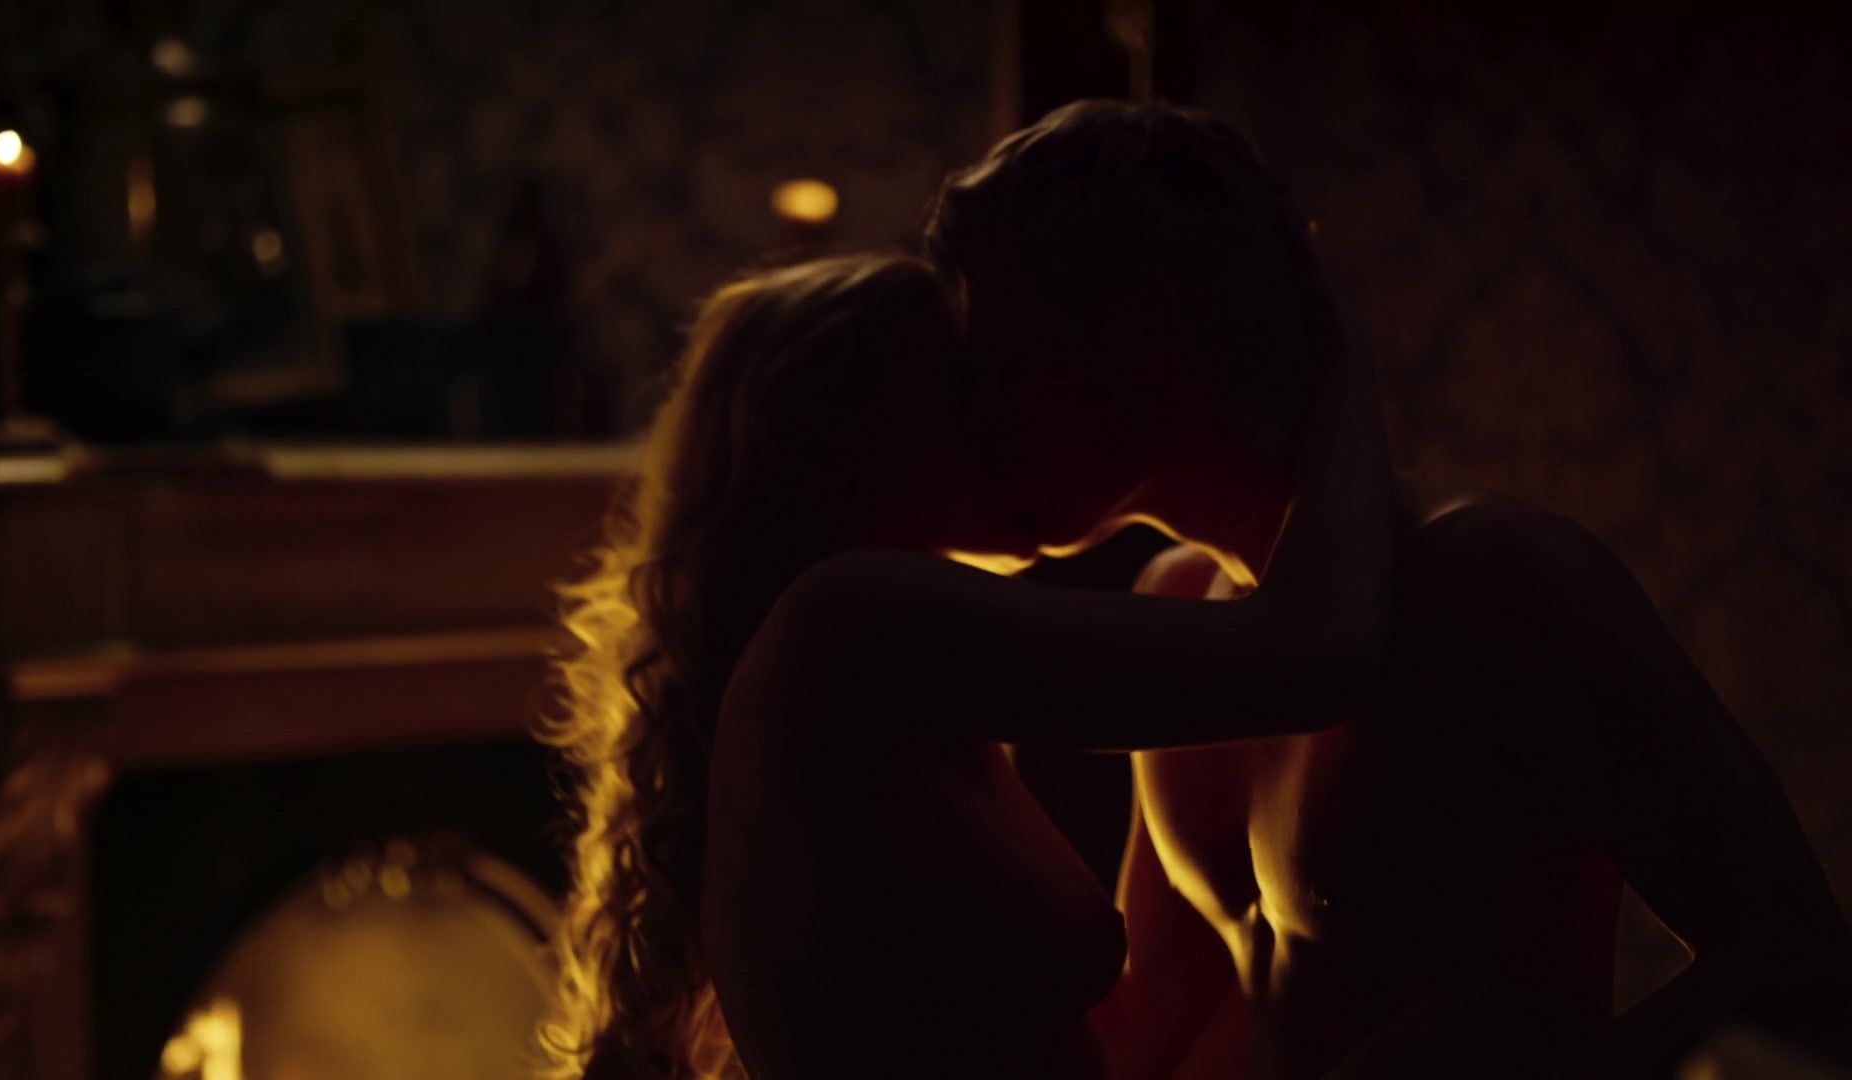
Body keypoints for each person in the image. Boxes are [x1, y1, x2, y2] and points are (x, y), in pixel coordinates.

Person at [923, 98, 1852, 1078]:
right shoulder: (1180, 606)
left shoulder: (1501, 582)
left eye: (999, 363)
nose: (972, 416)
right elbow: (1151, 1017)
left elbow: (1794, 960)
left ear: (1141, 334)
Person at [536, 248, 1396, 1078]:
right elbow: (1318, 655)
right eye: (961, 390)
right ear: (837, 443)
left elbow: (1126, 1023)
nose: (1016, 417)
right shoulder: (861, 624)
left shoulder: (860, 667)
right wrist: (1330, 350)